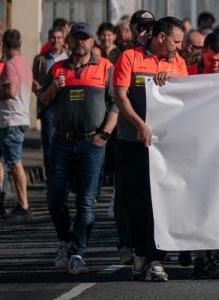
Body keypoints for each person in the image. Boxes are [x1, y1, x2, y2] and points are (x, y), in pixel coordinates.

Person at [113, 16, 189, 282]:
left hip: (164, 146)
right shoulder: (130, 57)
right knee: (135, 201)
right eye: (176, 41)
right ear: (160, 38)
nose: (179, 47)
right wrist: (140, 125)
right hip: (130, 142)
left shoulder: (178, 64)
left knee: (161, 202)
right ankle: (140, 253)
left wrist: (171, 82)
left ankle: (156, 258)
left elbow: (185, 99)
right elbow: (120, 96)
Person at [38, 23, 117, 275]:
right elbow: (43, 101)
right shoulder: (57, 68)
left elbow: (115, 104)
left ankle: (77, 252)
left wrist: (104, 134)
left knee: (86, 202)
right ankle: (66, 240)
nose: (80, 42)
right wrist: (54, 87)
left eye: (85, 38)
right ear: (69, 42)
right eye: (77, 38)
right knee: (55, 198)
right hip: (62, 141)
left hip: (92, 143)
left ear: (92, 42)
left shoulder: (105, 67)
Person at [0, 30, 33, 222]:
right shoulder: (24, 63)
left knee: (15, 163)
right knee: (8, 162)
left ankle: (24, 205)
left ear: (4, 44)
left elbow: (10, 92)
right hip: (16, 119)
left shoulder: (11, 65)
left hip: (12, 120)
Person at [33, 26, 69, 178]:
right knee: (49, 141)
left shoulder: (69, 58)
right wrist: (36, 87)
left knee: (65, 142)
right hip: (48, 106)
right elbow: (32, 79)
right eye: (53, 37)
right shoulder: (41, 59)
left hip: (66, 107)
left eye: (59, 38)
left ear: (63, 40)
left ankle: (63, 174)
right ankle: (50, 175)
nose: (56, 40)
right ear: (49, 39)